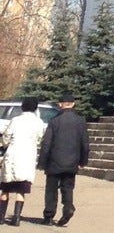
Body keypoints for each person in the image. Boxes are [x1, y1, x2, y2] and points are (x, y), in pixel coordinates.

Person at [36, 94, 88, 225]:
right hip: (72, 161)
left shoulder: (54, 121)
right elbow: (85, 144)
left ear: (60, 104)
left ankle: (49, 215)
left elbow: (46, 143)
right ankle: (68, 207)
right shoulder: (80, 121)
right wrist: (83, 161)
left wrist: (42, 162)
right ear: (73, 104)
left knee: (51, 189)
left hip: (54, 161)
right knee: (68, 187)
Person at [0, 97, 47, 225]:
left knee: (6, 188)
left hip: (13, 155)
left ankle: (1, 217)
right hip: (28, 156)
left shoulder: (15, 120)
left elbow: (6, 136)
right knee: (21, 189)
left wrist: (5, 145)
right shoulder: (39, 122)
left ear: (23, 107)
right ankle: (16, 217)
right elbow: (39, 139)